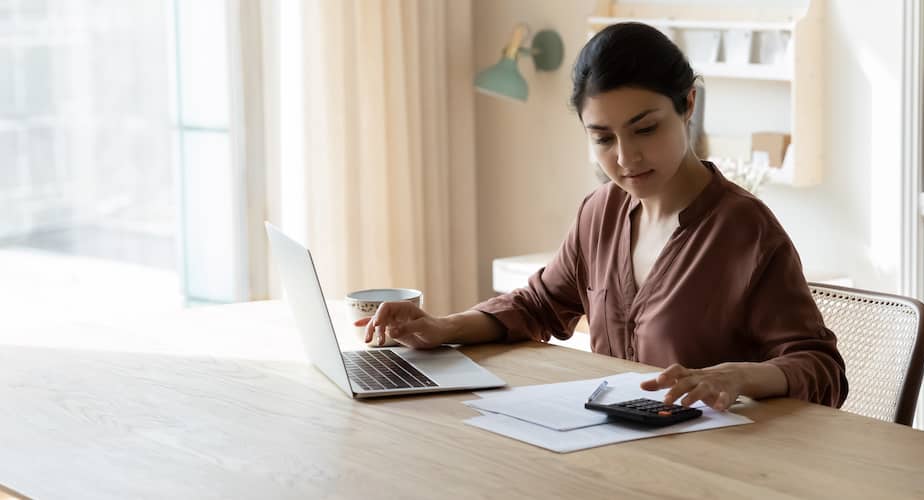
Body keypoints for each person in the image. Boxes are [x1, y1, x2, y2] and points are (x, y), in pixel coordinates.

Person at [356, 22, 847, 410]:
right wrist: (444, 327)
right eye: (603, 138)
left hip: (721, 471)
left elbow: (822, 369)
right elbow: (537, 305)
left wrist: (738, 375)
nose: (626, 158)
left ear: (688, 104)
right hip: (613, 455)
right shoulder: (601, 212)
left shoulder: (746, 231)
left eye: (646, 128)